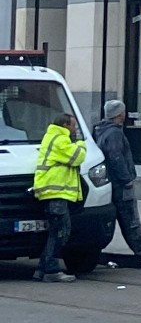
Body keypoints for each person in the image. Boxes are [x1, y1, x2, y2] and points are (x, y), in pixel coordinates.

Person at [91, 100, 141, 265]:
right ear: (119, 114)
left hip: (108, 182)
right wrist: (126, 179)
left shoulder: (100, 130)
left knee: (117, 218)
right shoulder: (114, 133)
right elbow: (116, 157)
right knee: (129, 217)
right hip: (120, 183)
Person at [31, 109, 86, 283]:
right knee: (61, 232)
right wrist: (81, 144)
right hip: (56, 193)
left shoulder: (53, 137)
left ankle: (42, 269)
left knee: (55, 232)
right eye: (73, 126)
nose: (75, 129)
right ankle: (52, 270)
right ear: (65, 125)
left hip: (53, 193)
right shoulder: (60, 139)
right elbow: (78, 157)